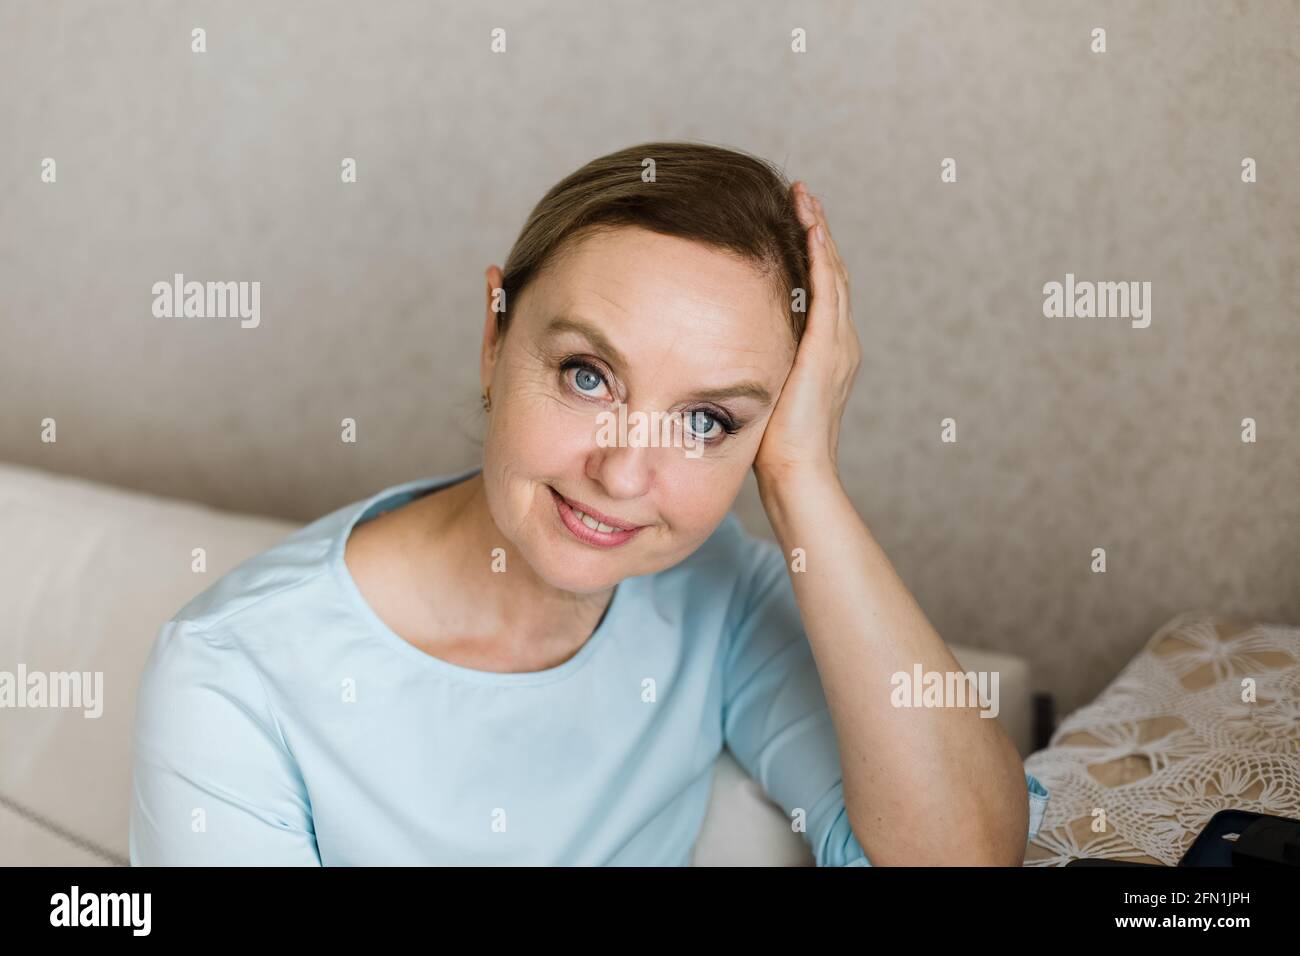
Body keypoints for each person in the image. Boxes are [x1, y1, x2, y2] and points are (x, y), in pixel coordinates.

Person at [129, 141, 1048, 866]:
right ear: (495, 336)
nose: (622, 474)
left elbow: (960, 856)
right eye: (587, 375)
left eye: (707, 421)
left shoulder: (717, 592)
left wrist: (803, 475)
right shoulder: (232, 678)